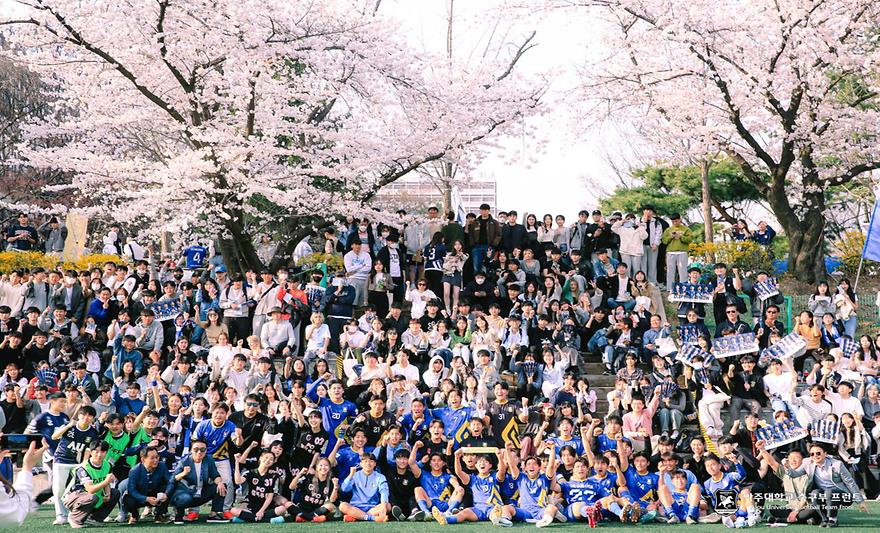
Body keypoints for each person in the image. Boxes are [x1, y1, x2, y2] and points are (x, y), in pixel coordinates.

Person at [782, 442, 868, 527]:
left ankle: (832, 520)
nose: (815, 456)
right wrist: (786, 467)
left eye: (818, 453)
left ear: (825, 454)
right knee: (815, 493)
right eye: (812, 454)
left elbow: (850, 483)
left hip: (842, 495)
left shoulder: (837, 464)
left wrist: (860, 501)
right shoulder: (807, 463)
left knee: (829, 492)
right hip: (824, 494)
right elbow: (794, 474)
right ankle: (824, 520)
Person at [63, 440, 120, 528]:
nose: (99, 454)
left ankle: (94, 519)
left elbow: (106, 482)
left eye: (103, 451)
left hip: (92, 496)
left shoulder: (107, 465)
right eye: (96, 451)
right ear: (90, 452)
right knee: (91, 497)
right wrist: (106, 482)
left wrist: (108, 494)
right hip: (73, 497)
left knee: (115, 493)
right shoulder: (83, 468)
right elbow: (90, 489)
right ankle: (74, 518)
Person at [168, 438, 227, 524]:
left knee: (222, 486)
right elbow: (173, 479)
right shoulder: (184, 461)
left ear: (206, 451)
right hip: (186, 493)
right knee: (185, 497)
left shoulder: (209, 460)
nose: (199, 452)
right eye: (196, 449)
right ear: (191, 450)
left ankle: (215, 514)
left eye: (202, 450)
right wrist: (183, 473)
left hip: (201, 492)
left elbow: (215, 475)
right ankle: (178, 514)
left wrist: (220, 483)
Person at [120, 446, 172, 524]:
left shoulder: (162, 466)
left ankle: (160, 514)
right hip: (141, 496)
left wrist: (166, 494)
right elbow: (132, 490)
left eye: (157, 457)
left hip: (156, 495)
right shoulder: (134, 471)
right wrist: (146, 498)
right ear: (143, 460)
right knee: (127, 499)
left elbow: (170, 482)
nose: (156, 460)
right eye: (152, 458)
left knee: (170, 489)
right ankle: (134, 515)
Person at [339, 452, 391, 522]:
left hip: (372, 508)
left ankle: (357, 517)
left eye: (371, 461)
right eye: (365, 461)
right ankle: (373, 518)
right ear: (361, 464)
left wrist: (383, 505)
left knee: (387, 506)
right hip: (356, 507)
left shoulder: (380, 476)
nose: (368, 464)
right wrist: (350, 475)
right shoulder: (355, 475)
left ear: (375, 464)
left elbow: (384, 491)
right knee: (342, 505)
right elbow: (344, 489)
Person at [661, 214, 691, 291]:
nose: (674, 223)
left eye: (676, 221)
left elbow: (689, 240)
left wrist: (681, 236)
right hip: (670, 252)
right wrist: (670, 237)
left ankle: (683, 288)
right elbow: (664, 241)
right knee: (670, 271)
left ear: (680, 220)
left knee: (683, 271)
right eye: (673, 221)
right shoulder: (668, 230)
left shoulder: (686, 229)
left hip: (682, 252)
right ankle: (670, 288)